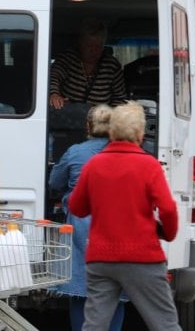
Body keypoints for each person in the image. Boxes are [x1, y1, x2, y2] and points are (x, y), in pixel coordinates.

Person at [68, 102, 180, 331]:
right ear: (140, 134)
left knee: (95, 324)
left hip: (101, 259)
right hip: (143, 258)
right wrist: (167, 233)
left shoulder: (94, 165)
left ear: (112, 132)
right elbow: (167, 209)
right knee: (164, 323)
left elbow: (77, 207)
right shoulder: (149, 165)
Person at [49, 104, 125, 331]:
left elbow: (55, 182)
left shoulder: (75, 152)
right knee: (115, 290)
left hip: (81, 224)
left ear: (87, 127)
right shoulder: (125, 153)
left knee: (80, 287)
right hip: (117, 224)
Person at [49, 17, 127, 109]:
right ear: (80, 43)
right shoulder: (67, 58)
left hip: (100, 120)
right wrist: (54, 94)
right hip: (69, 117)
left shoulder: (112, 65)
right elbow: (53, 76)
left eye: (98, 46)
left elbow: (120, 98)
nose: (93, 51)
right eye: (89, 46)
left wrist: (109, 117)